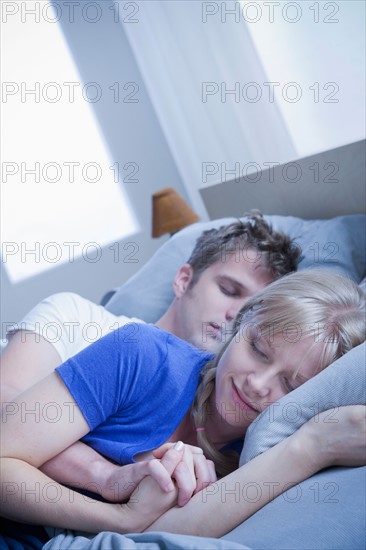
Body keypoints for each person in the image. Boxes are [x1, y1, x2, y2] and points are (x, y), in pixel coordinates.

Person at [1, 270, 365, 538]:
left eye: (291, 383)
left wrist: (312, 446)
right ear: (241, 322)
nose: (257, 384)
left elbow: (163, 539)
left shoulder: (266, 458)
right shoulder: (141, 354)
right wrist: (116, 514)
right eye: (257, 348)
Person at [0, 213, 300, 503]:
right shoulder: (75, 316)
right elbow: (6, 408)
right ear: (184, 280)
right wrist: (106, 475)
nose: (235, 315)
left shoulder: (229, 408)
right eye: (228, 290)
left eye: (251, 311)